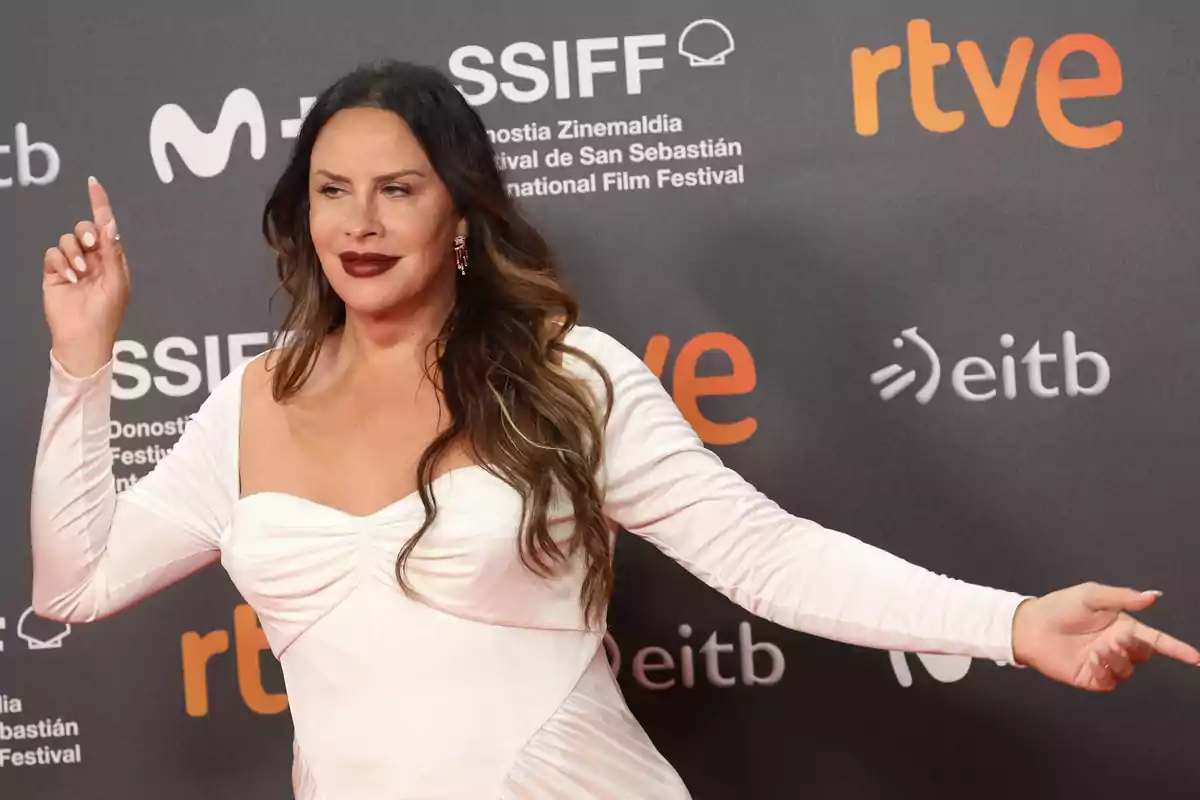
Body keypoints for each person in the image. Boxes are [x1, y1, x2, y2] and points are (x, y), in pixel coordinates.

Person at [30, 60, 1198, 800]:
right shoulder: (248, 400)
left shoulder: (567, 376)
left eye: (399, 187)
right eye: (333, 189)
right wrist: (84, 361)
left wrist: (1011, 620)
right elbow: (74, 583)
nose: (362, 222)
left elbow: (765, 552)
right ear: (301, 211)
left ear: (460, 214)